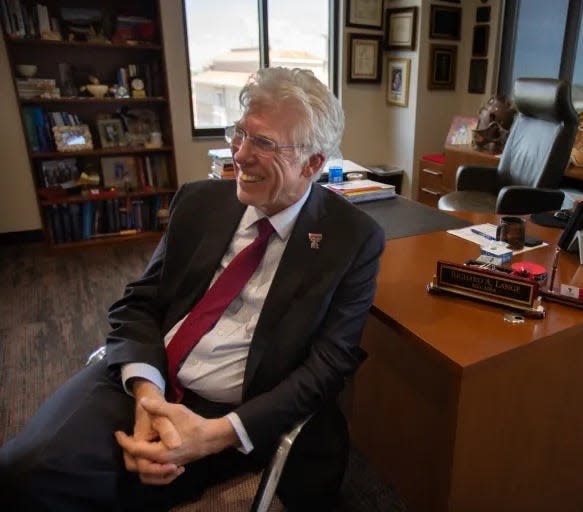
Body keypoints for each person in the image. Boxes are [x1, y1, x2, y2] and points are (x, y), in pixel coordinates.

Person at [0, 67, 385, 511]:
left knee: (105, 489)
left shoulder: (351, 240)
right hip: (146, 375)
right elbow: (138, 304)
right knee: (20, 468)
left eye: (262, 142)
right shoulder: (199, 202)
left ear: (313, 163)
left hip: (225, 415)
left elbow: (327, 367)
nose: (239, 155)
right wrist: (147, 394)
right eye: (240, 133)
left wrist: (216, 435)